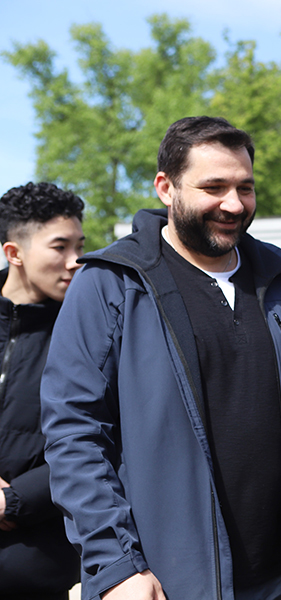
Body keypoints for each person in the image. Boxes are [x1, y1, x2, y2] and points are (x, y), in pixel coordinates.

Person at [40, 117, 281, 600]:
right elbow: (74, 433)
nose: (233, 204)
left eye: (245, 187)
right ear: (166, 188)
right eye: (214, 187)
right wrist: (117, 566)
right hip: (165, 582)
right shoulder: (109, 283)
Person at [0, 182, 84, 599]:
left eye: (79, 247)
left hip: (36, 568)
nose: (75, 261)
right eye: (59, 247)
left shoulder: (87, 333)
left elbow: (101, 440)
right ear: (14, 253)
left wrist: (14, 501)